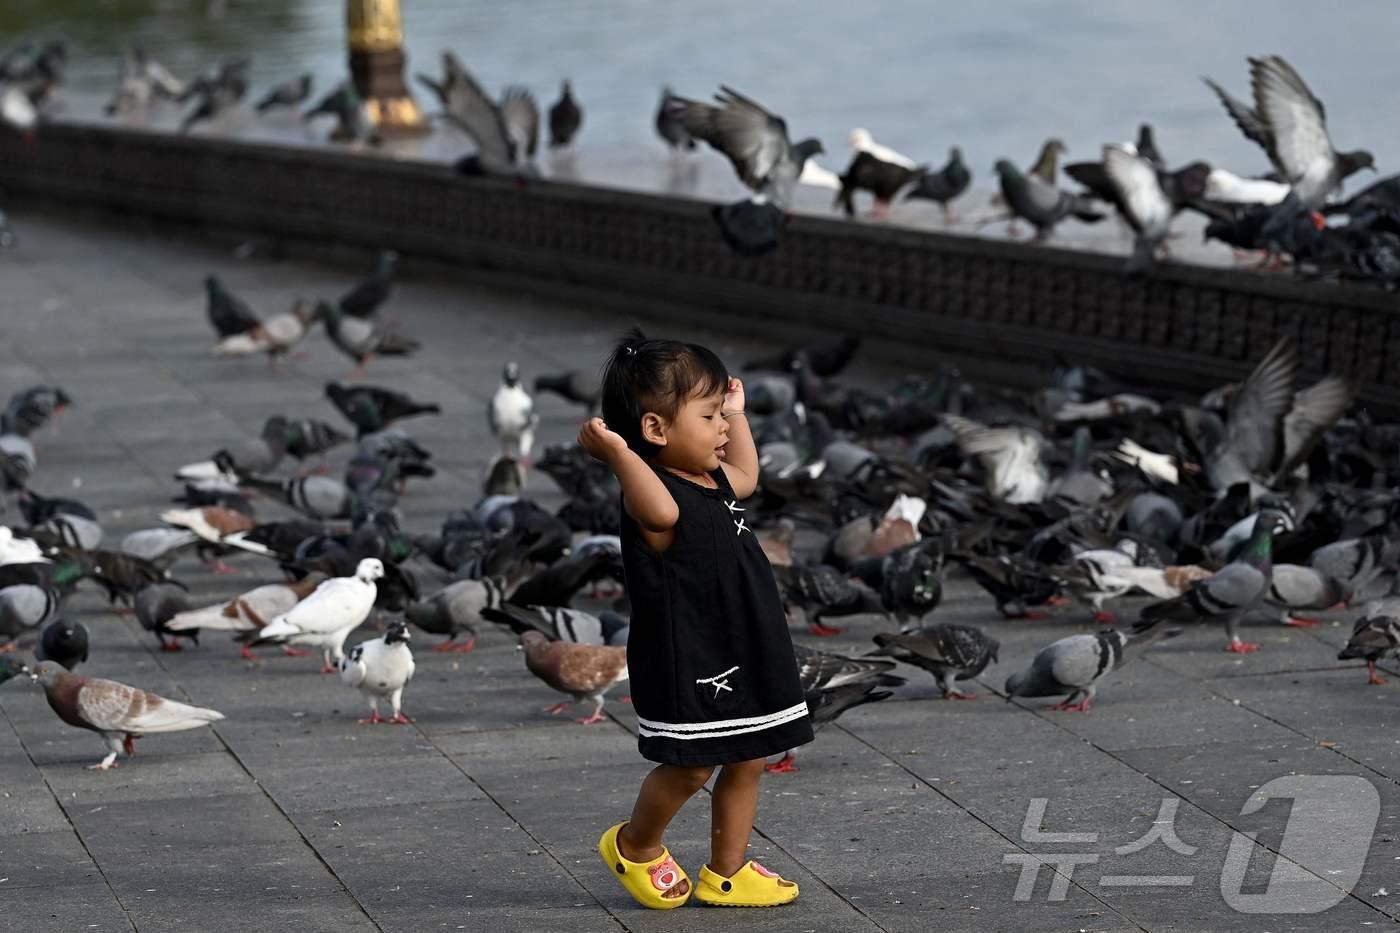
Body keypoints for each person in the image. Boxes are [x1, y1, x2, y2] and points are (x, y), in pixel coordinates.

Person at [579, 328, 813, 909]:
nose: (724, 430)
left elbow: (749, 477)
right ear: (655, 431)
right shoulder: (651, 493)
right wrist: (619, 455)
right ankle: (635, 846)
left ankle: (728, 871)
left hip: (743, 638)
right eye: (710, 417)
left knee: (750, 754)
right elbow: (659, 509)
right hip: (693, 652)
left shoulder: (710, 481)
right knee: (691, 766)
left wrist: (740, 414)